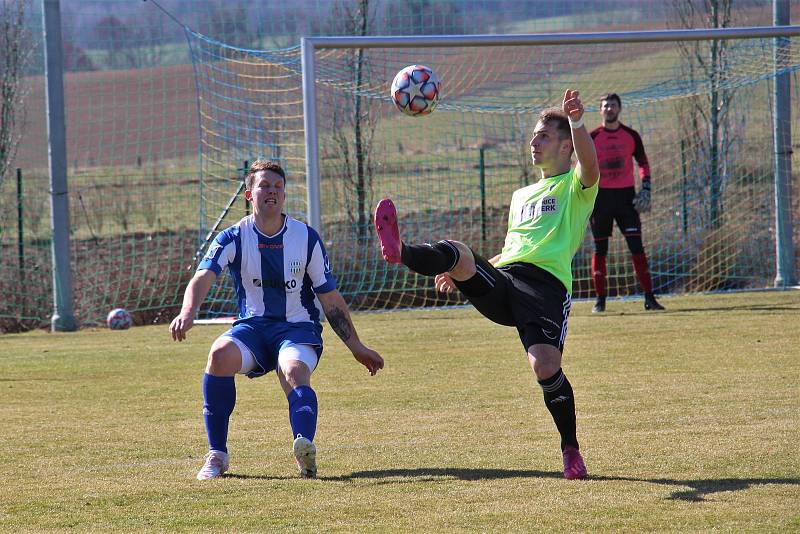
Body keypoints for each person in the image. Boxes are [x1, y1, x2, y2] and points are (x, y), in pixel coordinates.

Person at [374, 89, 599, 480]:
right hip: (506, 280)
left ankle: (570, 449)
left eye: (543, 136)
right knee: (459, 252)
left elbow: (592, 166)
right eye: (533, 135)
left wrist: (578, 122)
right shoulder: (521, 195)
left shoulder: (575, 187)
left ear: (566, 147)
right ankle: (401, 252)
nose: (533, 141)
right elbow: (512, 248)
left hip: (545, 290)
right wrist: (465, 270)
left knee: (545, 367)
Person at [170, 159, 384, 481]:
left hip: (298, 328)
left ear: (284, 195)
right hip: (253, 328)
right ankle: (216, 456)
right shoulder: (232, 237)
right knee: (218, 356)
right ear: (249, 194)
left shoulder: (306, 238)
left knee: (293, 370)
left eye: (278, 187)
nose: (272, 191)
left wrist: (356, 346)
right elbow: (203, 276)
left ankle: (304, 451)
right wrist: (188, 311)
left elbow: (331, 299)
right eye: (264, 186)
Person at [589, 93, 664, 313]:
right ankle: (600, 301)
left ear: (619, 108)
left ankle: (650, 298)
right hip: (600, 199)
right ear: (600, 110)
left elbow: (643, 162)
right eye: (606, 106)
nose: (609, 109)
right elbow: (582, 165)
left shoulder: (631, 135)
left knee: (637, 248)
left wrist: (647, 186)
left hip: (626, 199)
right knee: (599, 249)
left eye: (613, 105)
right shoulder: (592, 137)